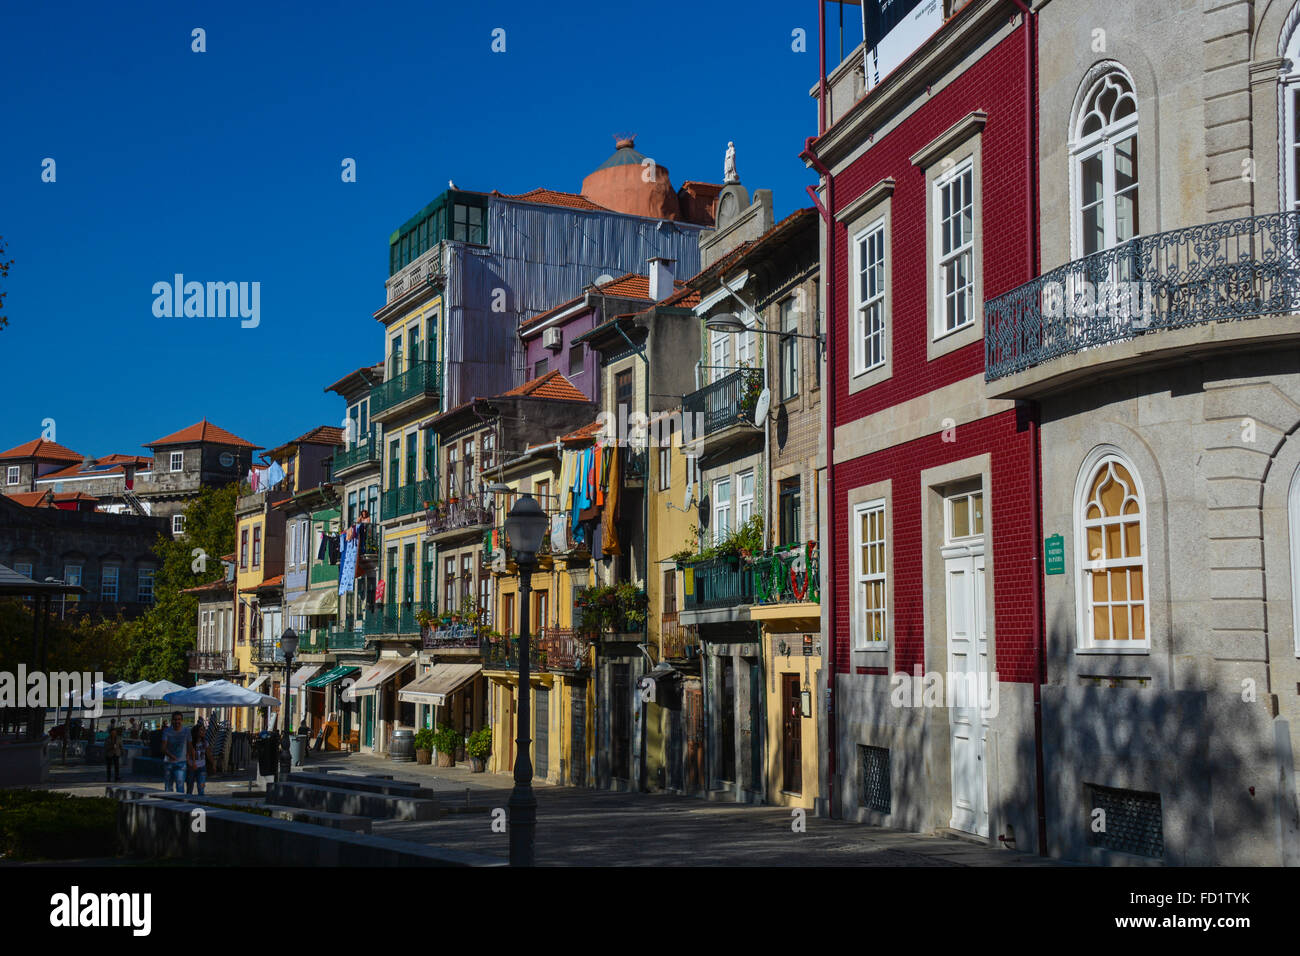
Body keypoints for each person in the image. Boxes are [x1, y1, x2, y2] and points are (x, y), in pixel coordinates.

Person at [161, 711, 189, 793]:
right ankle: (167, 804)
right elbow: (163, 748)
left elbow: (190, 746)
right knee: (168, 787)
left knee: (180, 786)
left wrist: (190, 758)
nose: (177, 721)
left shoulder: (187, 731)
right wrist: (171, 756)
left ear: (182, 720)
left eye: (179, 719)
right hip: (168, 762)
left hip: (181, 763)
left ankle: (180, 802)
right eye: (175, 719)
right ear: (172, 720)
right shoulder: (167, 731)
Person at [186, 725, 208, 795]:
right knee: (189, 788)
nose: (203, 731)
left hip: (202, 767)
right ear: (196, 732)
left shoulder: (205, 742)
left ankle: (201, 802)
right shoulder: (190, 743)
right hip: (191, 767)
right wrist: (191, 764)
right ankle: (188, 802)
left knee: (201, 788)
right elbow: (187, 756)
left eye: (204, 730)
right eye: (201, 730)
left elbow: (209, 754)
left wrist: (213, 764)